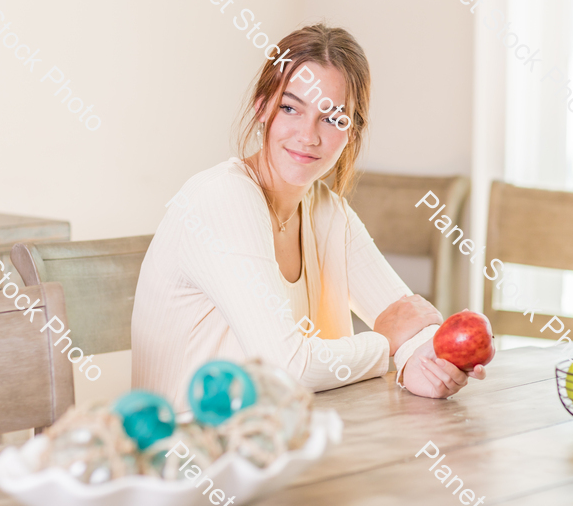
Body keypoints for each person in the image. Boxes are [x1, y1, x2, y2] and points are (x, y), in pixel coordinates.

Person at [131, 24, 486, 412]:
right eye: (290, 108)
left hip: (285, 444)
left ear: (352, 131)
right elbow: (286, 368)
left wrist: (430, 360)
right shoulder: (224, 198)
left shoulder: (325, 210)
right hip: (191, 457)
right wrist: (389, 344)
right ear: (262, 106)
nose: (308, 135)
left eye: (332, 118)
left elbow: (406, 320)